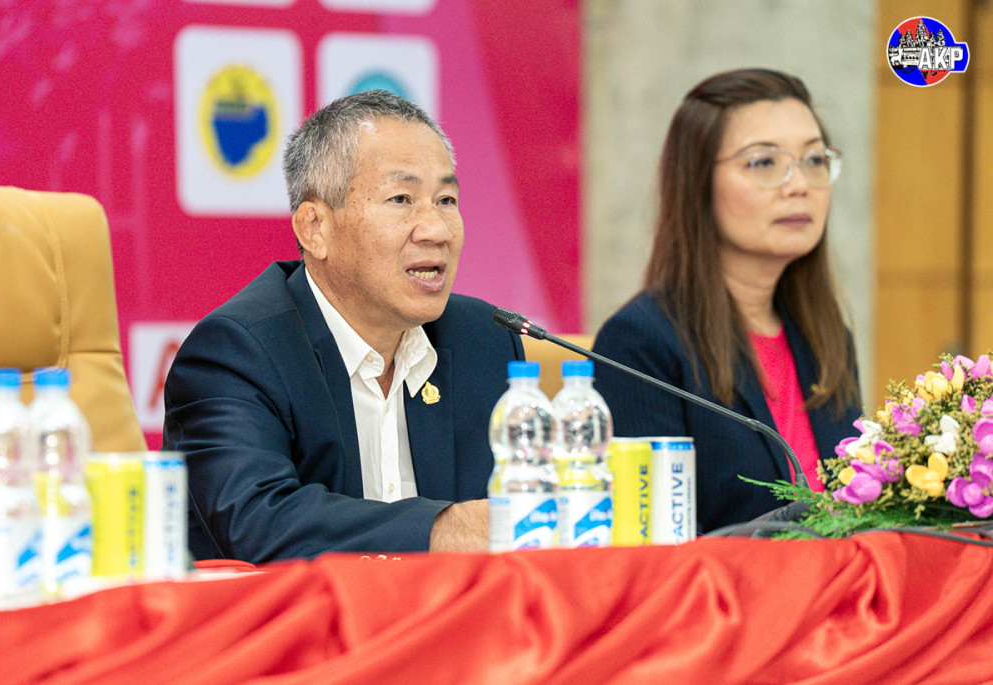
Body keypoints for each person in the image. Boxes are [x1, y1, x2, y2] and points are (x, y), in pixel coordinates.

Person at [162, 90, 523, 562]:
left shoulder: (485, 341)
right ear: (315, 228)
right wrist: (443, 530)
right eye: (401, 199)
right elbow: (258, 523)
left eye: (446, 199)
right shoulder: (237, 352)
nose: (436, 229)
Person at [592, 69, 862, 533]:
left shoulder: (828, 338)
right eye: (764, 162)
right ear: (698, 183)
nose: (800, 185)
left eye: (815, 160)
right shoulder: (640, 343)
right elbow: (649, 543)